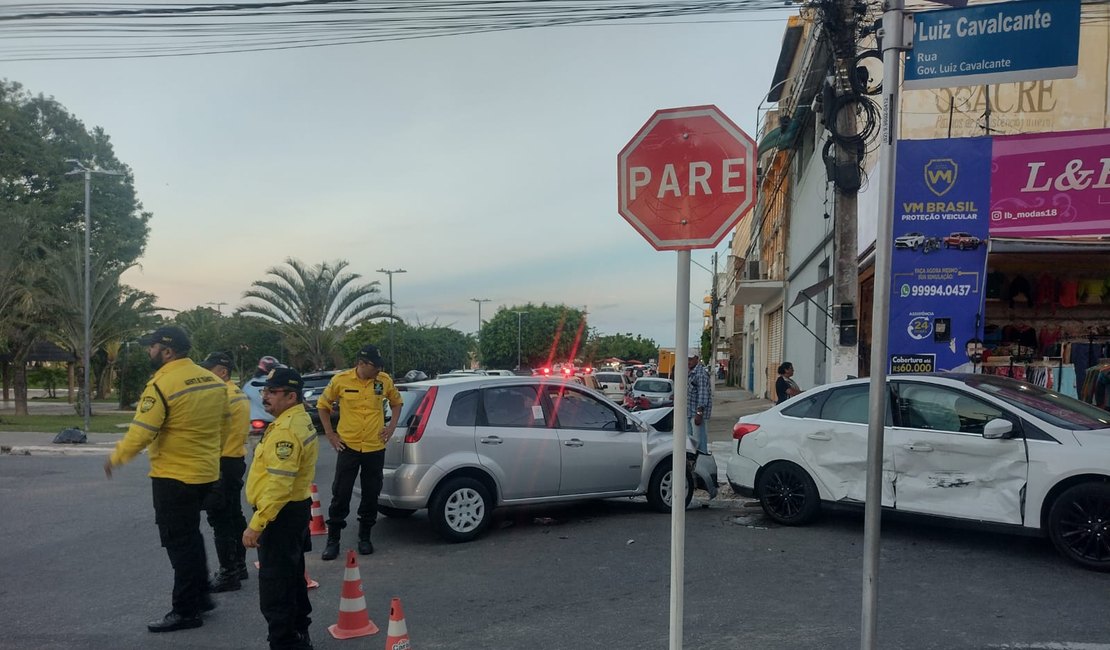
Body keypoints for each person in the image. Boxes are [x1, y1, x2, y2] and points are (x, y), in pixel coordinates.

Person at [104, 326, 228, 633]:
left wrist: (116, 457)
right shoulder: (213, 381)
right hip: (206, 473)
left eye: (153, 346)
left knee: (179, 542)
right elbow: (223, 425)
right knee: (191, 537)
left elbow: (142, 431)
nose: (150, 351)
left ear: (168, 351)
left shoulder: (162, 384)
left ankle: (186, 611)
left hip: (173, 476)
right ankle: (201, 597)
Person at [243, 367, 319, 650]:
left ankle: (285, 642)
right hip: (293, 511)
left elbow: (278, 485)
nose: (265, 397)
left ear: (291, 396)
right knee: (292, 577)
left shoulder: (287, 430)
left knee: (276, 586)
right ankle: (299, 631)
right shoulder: (294, 420)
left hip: (280, 515)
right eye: (265, 391)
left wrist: (256, 524)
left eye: (272, 392)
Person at [316, 344, 403, 559]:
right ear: (361, 364)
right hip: (349, 446)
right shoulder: (341, 380)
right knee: (341, 493)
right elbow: (322, 406)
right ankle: (333, 539)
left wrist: (391, 427)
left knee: (371, 493)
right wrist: (330, 434)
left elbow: (396, 403)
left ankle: (365, 536)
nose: (378, 370)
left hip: (374, 446)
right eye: (375, 366)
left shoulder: (383, 380)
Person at [199, 351, 251, 593]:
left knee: (220, 519)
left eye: (208, 370)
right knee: (234, 515)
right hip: (235, 459)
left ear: (222, 371)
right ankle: (239, 566)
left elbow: (209, 433)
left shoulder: (221, 396)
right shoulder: (237, 394)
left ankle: (228, 573)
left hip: (220, 462)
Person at [687, 354, 712, 454]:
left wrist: (699, 413)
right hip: (689, 412)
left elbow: (703, 393)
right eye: (687, 359)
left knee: (699, 441)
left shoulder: (700, 374)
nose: (688, 362)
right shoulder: (690, 372)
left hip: (696, 413)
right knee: (690, 441)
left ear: (697, 359)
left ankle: (702, 461)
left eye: (691, 359)